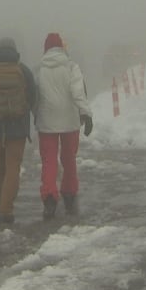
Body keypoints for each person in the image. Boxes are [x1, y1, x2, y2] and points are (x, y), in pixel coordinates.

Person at [34, 32, 93, 219]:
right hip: (70, 122)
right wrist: (86, 114)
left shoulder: (39, 69)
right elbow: (78, 92)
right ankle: (69, 192)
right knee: (69, 159)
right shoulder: (71, 66)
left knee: (49, 161)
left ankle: (50, 197)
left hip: (47, 123)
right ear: (61, 47)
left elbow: (34, 96)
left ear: (46, 48)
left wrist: (35, 114)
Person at [0, 37, 36, 224]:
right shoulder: (24, 71)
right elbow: (33, 96)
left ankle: (2, 202)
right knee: (13, 167)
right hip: (17, 128)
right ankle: (7, 208)